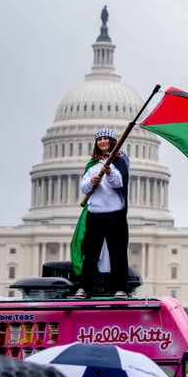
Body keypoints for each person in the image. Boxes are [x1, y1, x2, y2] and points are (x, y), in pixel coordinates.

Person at [73, 128, 130, 299]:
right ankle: (84, 288)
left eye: (106, 139)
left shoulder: (119, 162)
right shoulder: (92, 165)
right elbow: (83, 187)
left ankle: (120, 288)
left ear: (113, 142)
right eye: (100, 139)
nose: (103, 142)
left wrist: (109, 173)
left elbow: (120, 183)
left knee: (118, 253)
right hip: (95, 213)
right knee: (91, 253)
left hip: (115, 214)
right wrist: (92, 181)